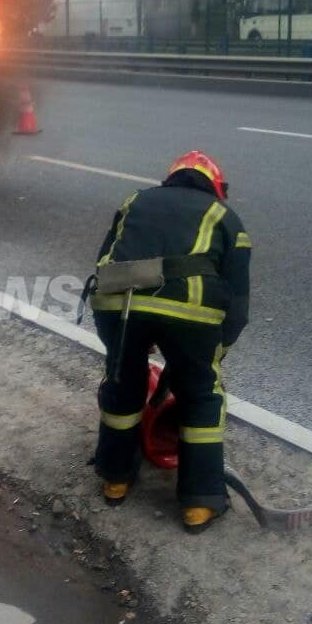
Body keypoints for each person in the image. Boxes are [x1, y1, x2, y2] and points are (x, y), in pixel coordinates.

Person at [88, 151, 251, 534]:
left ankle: (115, 479)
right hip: (191, 313)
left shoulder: (135, 200)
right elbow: (238, 308)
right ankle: (200, 502)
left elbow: (103, 265)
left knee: (122, 386)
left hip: (118, 304)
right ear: (216, 186)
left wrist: (121, 349)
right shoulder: (227, 219)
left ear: (172, 179)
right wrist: (212, 356)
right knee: (201, 397)